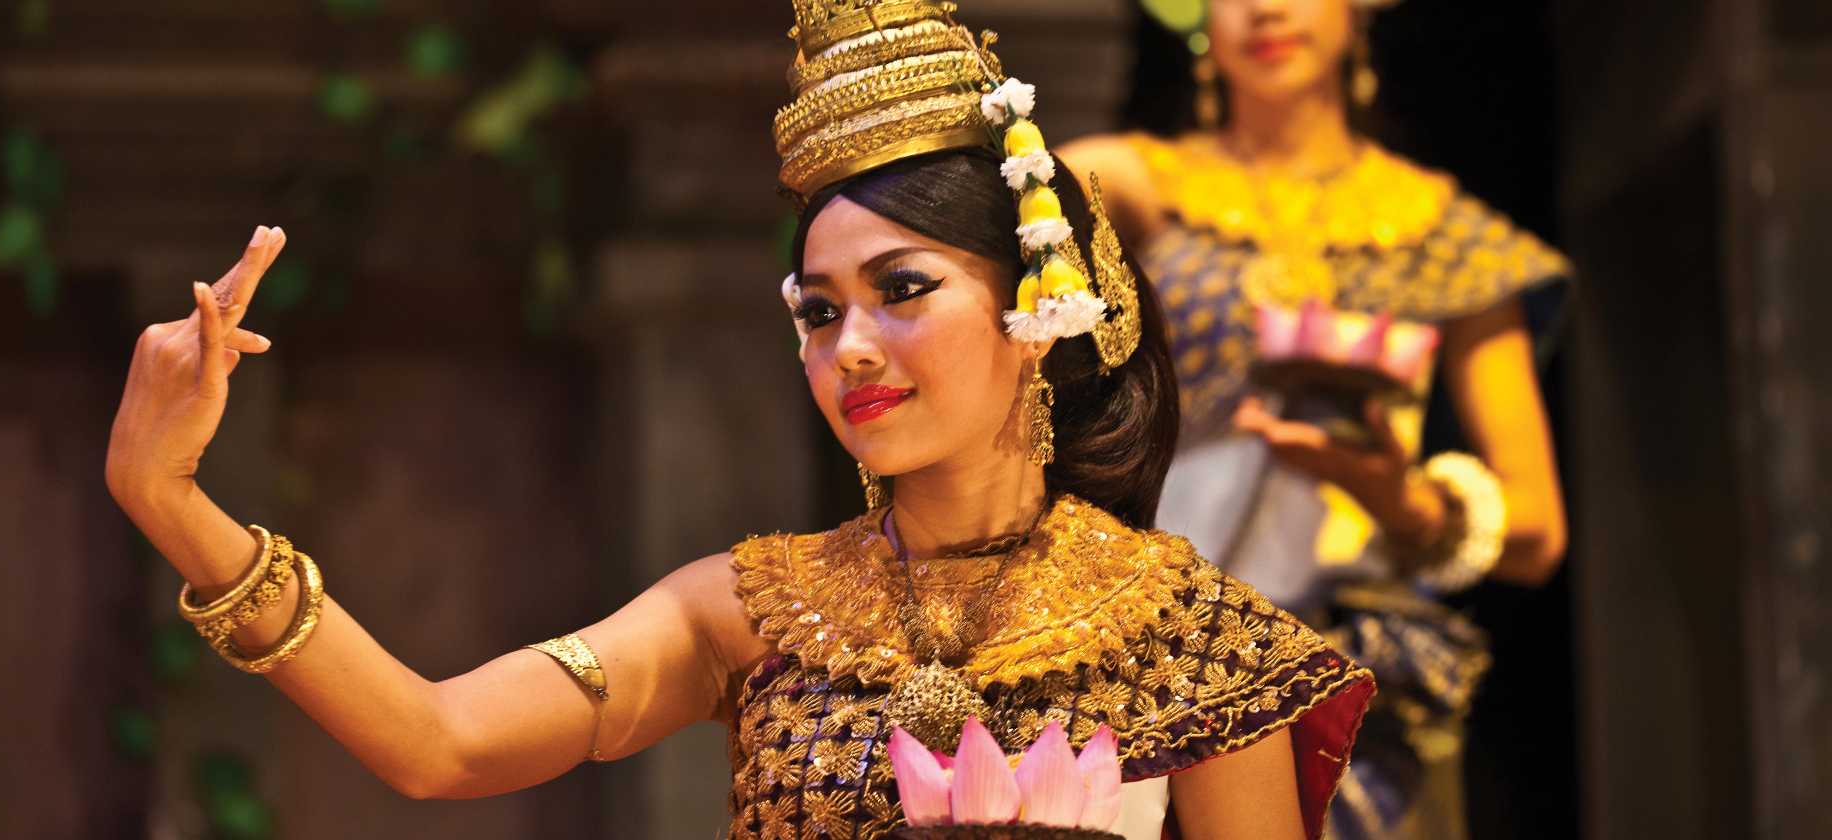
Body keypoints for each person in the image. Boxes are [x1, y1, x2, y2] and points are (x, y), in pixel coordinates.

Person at [103, 2, 1372, 837]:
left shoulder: (1193, 636)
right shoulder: (748, 609)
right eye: (818, 312)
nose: (850, 347)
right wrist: (172, 501)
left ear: (1041, 303)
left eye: (904, 292)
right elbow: (439, 743)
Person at [1057, 0, 1570, 837]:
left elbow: (1538, 529)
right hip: (1163, 657)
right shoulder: (1131, 186)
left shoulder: (1444, 234)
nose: (1265, 8)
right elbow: (993, 240)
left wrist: (1401, 502)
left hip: (1359, 680)